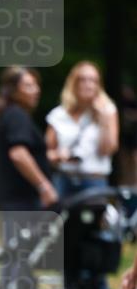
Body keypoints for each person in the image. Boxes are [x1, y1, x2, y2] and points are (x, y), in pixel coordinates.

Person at [0, 66, 57, 289]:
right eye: (28, 85)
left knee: (18, 253)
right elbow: (19, 154)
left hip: (15, 198)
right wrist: (44, 185)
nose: (35, 90)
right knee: (19, 254)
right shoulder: (16, 116)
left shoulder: (13, 114)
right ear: (14, 91)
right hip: (19, 199)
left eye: (36, 85)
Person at [45, 61, 119, 200]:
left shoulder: (108, 110)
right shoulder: (59, 114)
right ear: (74, 83)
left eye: (93, 80)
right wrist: (58, 155)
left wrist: (103, 119)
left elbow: (108, 150)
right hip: (64, 180)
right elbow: (45, 154)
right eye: (83, 80)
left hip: (94, 181)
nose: (88, 84)